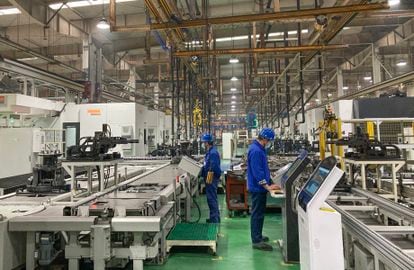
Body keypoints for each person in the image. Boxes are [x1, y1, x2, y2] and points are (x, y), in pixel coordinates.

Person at [247, 128, 280, 251]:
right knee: (257, 214)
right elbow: (258, 172)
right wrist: (267, 186)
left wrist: (270, 182)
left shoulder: (259, 149)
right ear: (265, 139)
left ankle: (258, 235)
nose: (269, 143)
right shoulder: (256, 151)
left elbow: (263, 169)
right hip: (257, 188)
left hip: (259, 187)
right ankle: (256, 240)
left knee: (260, 213)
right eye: (269, 140)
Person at [200, 133, 221, 223]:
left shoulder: (213, 153)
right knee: (211, 198)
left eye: (204, 142)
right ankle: (214, 217)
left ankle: (214, 219)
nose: (203, 144)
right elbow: (208, 164)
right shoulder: (210, 152)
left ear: (207, 143)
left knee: (211, 198)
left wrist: (209, 177)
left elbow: (214, 167)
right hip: (209, 177)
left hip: (211, 178)